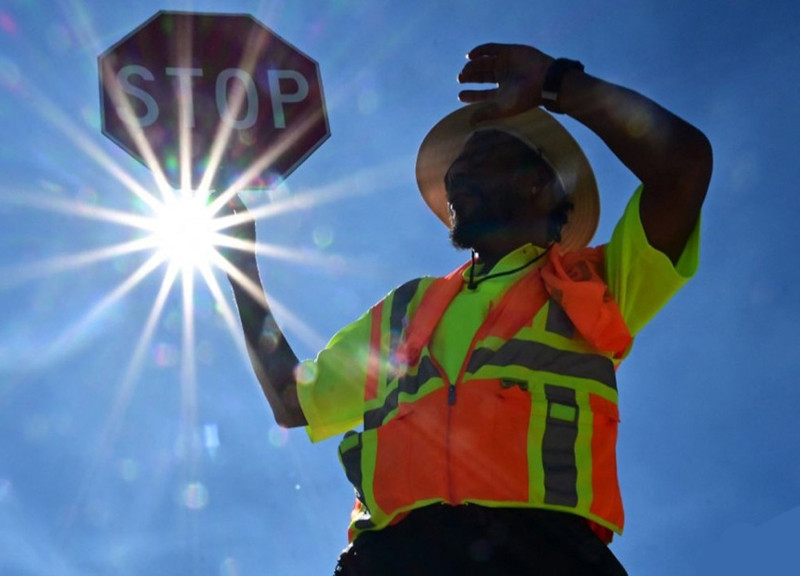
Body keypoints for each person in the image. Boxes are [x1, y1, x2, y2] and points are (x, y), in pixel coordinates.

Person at [221, 43, 712, 575]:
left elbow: (682, 166)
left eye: (479, 160)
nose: (455, 177)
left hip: (548, 557)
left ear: (540, 183)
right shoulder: (407, 308)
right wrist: (241, 268)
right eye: (456, 169)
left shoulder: (597, 284)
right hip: (389, 560)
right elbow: (294, 402)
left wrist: (556, 83)